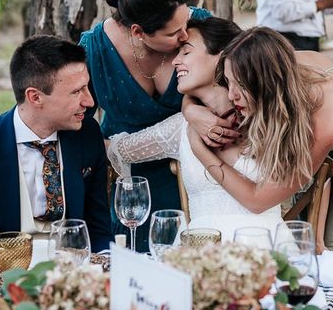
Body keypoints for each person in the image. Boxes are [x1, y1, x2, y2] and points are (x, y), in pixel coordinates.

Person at [187, 27, 333, 275]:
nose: (231, 95)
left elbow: (258, 200)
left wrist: (203, 151)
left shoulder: (325, 117)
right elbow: (194, 89)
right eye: (229, 82)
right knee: (306, 247)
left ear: (267, 82)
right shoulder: (272, 63)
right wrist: (191, 111)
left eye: (241, 86)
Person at [107, 18, 289, 241]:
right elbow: (119, 150)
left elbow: (319, 166)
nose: (175, 62)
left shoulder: (273, 116)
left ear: (222, 57)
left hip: (271, 249)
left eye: (185, 52)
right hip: (201, 253)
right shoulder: (181, 127)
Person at [0, 35, 112, 260]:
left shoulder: (87, 133)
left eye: (86, 88)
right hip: (4, 280)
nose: (89, 101)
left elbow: (98, 230)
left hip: (76, 274)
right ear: (35, 97)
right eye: (76, 92)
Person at [79, 0, 211, 252]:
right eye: (173, 33)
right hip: (129, 176)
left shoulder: (202, 26)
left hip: (193, 166)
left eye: (185, 22)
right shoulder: (95, 49)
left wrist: (192, 110)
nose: (185, 35)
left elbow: (231, 88)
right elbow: (76, 118)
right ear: (138, 32)